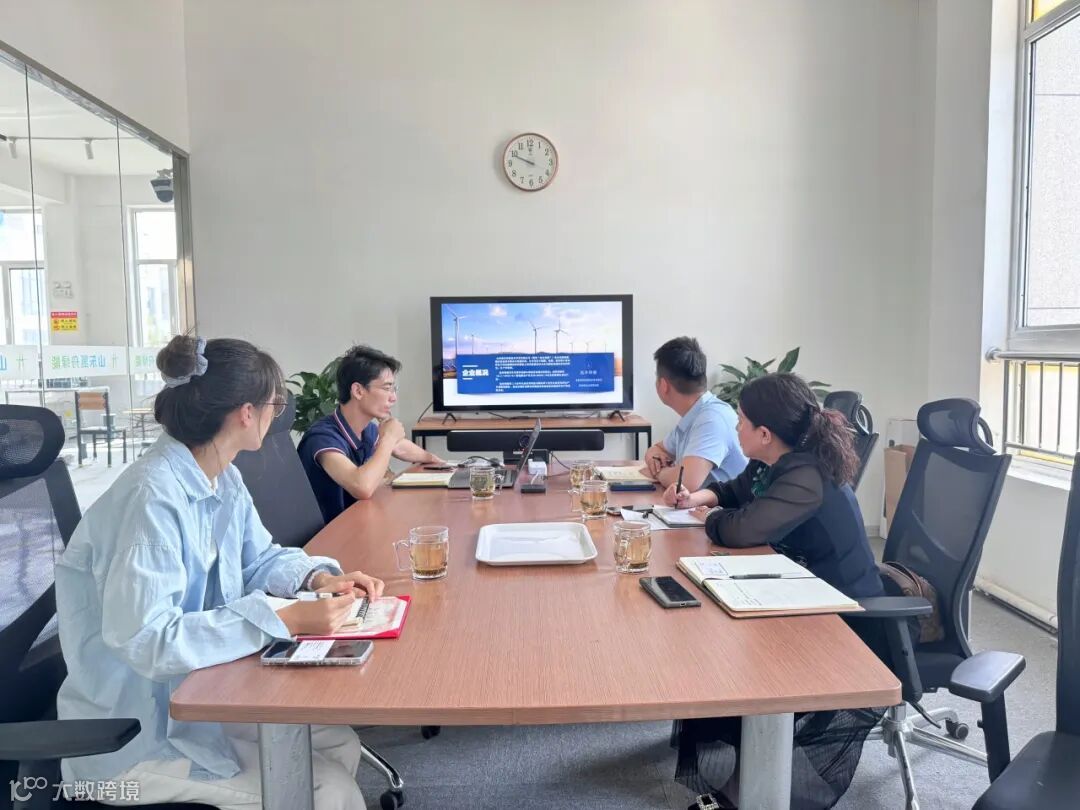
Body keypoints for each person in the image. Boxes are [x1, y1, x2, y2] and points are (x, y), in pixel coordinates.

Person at [56, 335, 383, 810]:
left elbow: (259, 557)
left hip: (195, 692)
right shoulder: (151, 498)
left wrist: (317, 579)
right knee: (329, 790)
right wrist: (284, 619)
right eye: (275, 404)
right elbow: (147, 639)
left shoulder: (220, 475)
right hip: (133, 734)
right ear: (246, 413)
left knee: (338, 742)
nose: (277, 415)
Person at [663, 372, 885, 810]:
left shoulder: (805, 475)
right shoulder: (776, 461)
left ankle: (748, 792)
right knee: (714, 632)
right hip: (799, 592)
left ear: (764, 434)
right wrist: (697, 498)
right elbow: (735, 490)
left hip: (843, 616)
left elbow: (742, 529)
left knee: (739, 659)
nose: (736, 427)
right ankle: (741, 771)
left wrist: (707, 519)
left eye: (741, 420)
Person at [298, 344, 445, 522]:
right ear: (358, 391)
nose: (393, 398)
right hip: (328, 533)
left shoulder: (366, 429)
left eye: (393, 389)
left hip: (358, 521)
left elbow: (401, 447)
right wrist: (388, 438)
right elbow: (362, 487)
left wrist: (437, 461)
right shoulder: (323, 438)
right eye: (386, 388)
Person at [642, 337, 747, 492]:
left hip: (728, 507)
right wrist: (656, 460)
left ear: (663, 385)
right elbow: (657, 449)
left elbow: (684, 482)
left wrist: (658, 472)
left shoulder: (712, 418)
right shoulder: (695, 414)